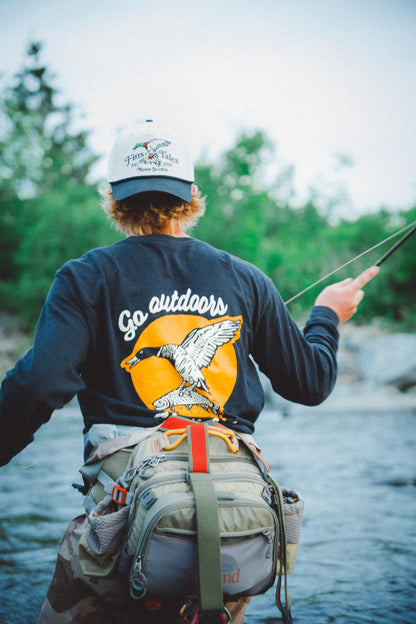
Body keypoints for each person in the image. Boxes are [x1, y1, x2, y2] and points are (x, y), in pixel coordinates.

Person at [0, 119, 379, 623]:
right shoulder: (247, 278)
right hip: (229, 530)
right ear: (191, 196)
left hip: (121, 525)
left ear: (114, 197)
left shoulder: (85, 277)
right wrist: (327, 316)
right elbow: (310, 382)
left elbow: (39, 385)